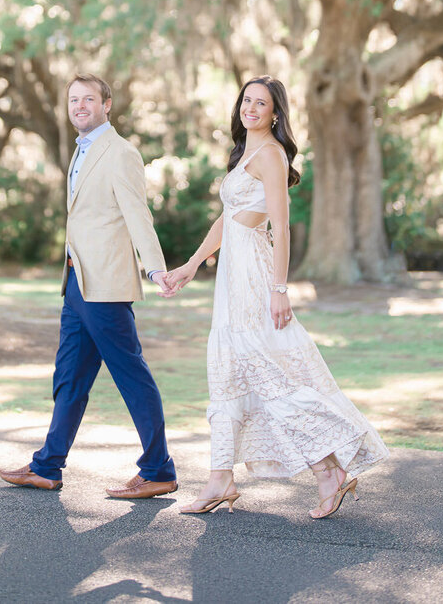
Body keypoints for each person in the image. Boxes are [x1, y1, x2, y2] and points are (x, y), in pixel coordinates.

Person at [165, 75, 388, 517]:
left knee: (270, 374)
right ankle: (220, 479)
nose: (250, 108)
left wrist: (279, 289)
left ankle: (330, 471)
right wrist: (191, 265)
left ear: (275, 113)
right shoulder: (245, 152)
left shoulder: (271, 155)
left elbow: (280, 227)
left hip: (255, 275)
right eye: (246, 100)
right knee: (230, 369)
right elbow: (229, 220)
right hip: (231, 275)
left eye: (260, 103)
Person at [0, 73, 178, 499]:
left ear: (107, 104)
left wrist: (154, 269)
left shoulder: (121, 153)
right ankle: (47, 466)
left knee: (130, 374)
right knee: (70, 376)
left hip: (108, 285)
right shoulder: (81, 152)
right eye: (73, 99)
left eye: (88, 99)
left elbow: (138, 215)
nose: (79, 106)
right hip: (77, 281)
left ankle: (158, 469)